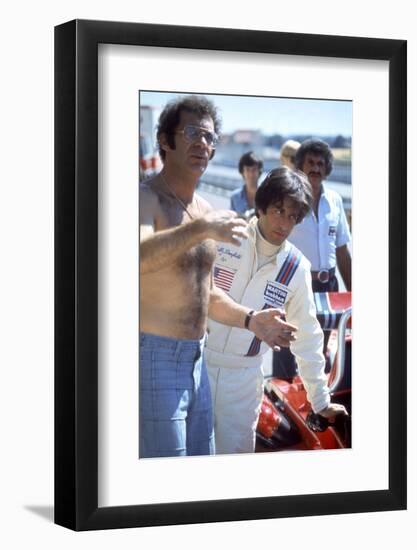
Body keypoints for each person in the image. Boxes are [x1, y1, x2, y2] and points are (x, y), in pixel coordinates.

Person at [139, 95, 297, 458]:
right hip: (155, 357)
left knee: (203, 466)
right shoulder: (145, 197)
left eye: (210, 137)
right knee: (168, 481)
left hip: (198, 362)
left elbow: (206, 294)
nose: (203, 144)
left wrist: (251, 319)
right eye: (192, 132)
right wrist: (199, 231)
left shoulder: (205, 210)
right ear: (165, 140)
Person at [205, 167, 347, 455]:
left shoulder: (296, 268)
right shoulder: (225, 237)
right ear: (261, 206)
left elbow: (307, 337)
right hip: (197, 367)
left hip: (243, 381)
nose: (284, 223)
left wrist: (320, 400)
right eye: (278, 210)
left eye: (293, 216)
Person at [289, 138, 351, 292]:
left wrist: (352, 293)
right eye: (310, 163)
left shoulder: (335, 200)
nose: (315, 169)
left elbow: (342, 251)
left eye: (320, 164)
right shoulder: (289, 200)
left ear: (326, 169)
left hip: (330, 285)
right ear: (300, 167)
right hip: (297, 286)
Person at [230, 151, 263, 217]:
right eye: (247, 170)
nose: (251, 174)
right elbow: (231, 220)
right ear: (242, 172)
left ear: (259, 171)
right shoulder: (235, 197)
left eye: (254, 169)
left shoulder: (267, 196)